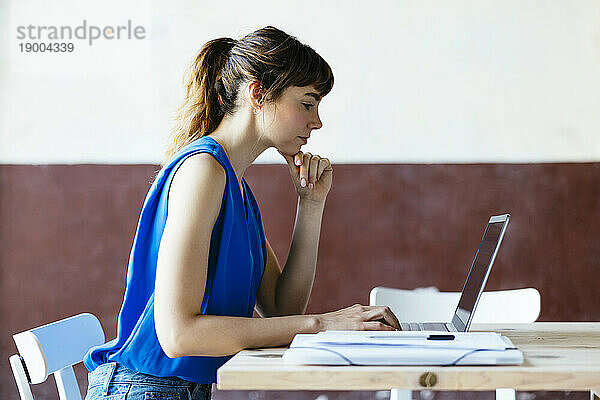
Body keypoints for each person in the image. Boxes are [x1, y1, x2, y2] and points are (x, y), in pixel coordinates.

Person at [83, 26, 400, 400]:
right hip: (143, 391)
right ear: (257, 93)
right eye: (307, 103)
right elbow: (178, 335)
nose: (317, 122)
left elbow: (282, 309)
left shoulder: (235, 187)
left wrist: (310, 204)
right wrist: (322, 324)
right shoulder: (203, 170)